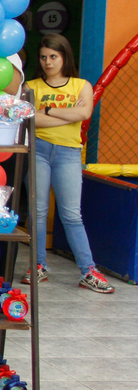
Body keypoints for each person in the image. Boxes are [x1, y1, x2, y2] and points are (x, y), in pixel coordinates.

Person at [24, 33, 114, 293]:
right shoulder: (31, 86)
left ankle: (88, 271)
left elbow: (84, 113)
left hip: (69, 153)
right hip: (37, 151)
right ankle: (38, 265)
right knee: (37, 212)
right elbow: (30, 118)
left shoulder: (81, 85)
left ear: (64, 57)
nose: (48, 62)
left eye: (53, 56)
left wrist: (48, 111)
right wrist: (67, 115)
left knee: (72, 215)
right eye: (43, 57)